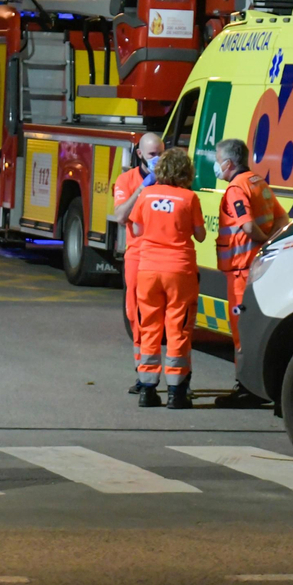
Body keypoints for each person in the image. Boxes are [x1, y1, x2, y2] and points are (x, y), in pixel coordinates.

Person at [126, 147, 205, 409]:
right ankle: (176, 392)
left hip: (148, 269)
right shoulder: (189, 198)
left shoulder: (146, 195)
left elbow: (136, 229)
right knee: (178, 329)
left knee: (149, 326)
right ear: (186, 171)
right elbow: (200, 235)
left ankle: (147, 390)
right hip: (179, 271)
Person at [212, 137, 289, 407]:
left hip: (241, 271)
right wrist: (269, 242)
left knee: (240, 331)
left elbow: (245, 227)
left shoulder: (236, 189)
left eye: (217, 158)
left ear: (228, 163)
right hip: (257, 268)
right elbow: (282, 218)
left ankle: (246, 388)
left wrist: (259, 240)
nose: (215, 164)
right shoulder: (258, 182)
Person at [112, 131, 164, 395]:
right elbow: (120, 215)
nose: (158, 160)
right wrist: (143, 189)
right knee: (136, 314)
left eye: (161, 154)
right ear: (140, 154)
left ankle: (177, 379)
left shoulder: (171, 180)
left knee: (166, 318)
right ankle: (143, 372)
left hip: (163, 255)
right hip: (137, 254)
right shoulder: (127, 180)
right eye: (153, 155)